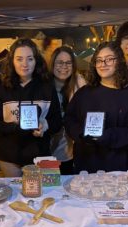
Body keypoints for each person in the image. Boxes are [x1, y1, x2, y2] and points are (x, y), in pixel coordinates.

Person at [65, 41, 128, 173]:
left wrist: (108, 136)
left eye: (109, 59)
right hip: (85, 167)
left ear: (119, 61)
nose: (103, 64)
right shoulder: (84, 93)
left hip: (118, 170)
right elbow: (69, 119)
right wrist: (81, 134)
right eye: (99, 60)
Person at [0, 38, 62, 177]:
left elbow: (57, 121)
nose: (25, 64)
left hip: (40, 156)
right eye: (19, 59)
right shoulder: (1, 90)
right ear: (12, 61)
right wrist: (14, 127)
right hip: (9, 158)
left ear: (36, 61)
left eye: (30, 59)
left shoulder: (47, 88)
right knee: (16, 197)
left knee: (42, 195)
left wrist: (45, 125)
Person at [49, 46, 86, 175]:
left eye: (68, 62)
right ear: (52, 64)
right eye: (59, 62)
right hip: (46, 151)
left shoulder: (79, 84)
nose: (64, 66)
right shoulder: (44, 86)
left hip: (67, 152)